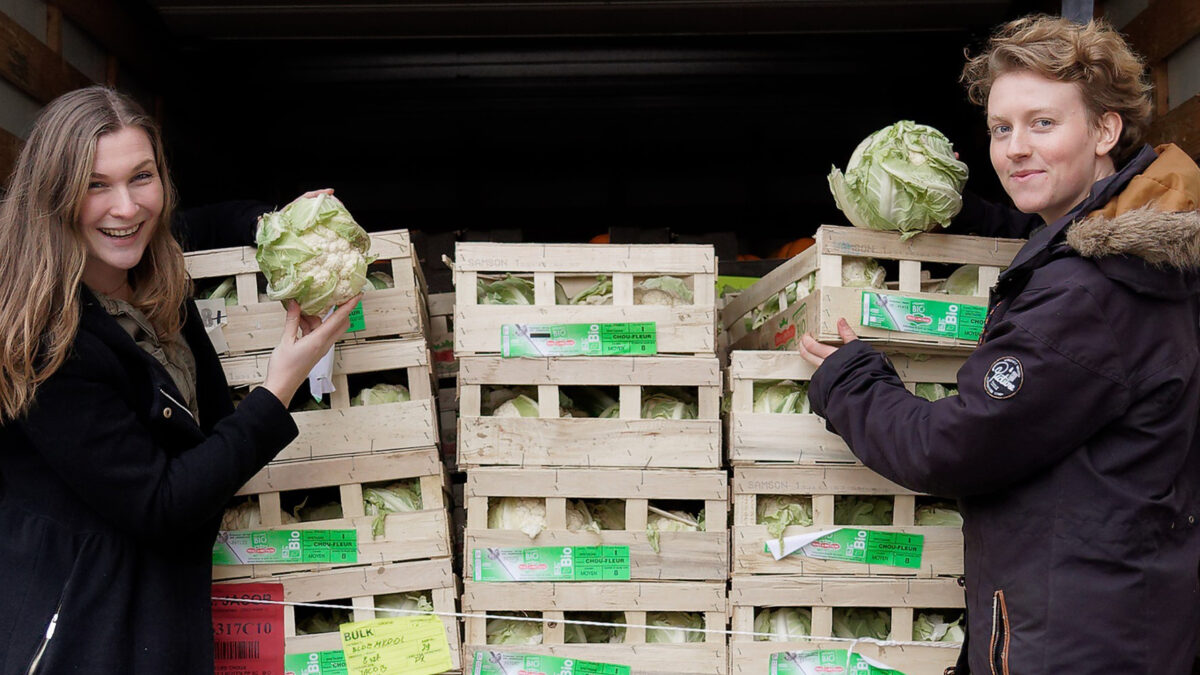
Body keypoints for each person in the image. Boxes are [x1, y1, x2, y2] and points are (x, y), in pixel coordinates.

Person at [797, 15, 1200, 675]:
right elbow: (1058, 237)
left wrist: (850, 379)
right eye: (1001, 129)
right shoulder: (1132, 245)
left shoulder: (1089, 300)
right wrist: (971, 218)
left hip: (1076, 648)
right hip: (1113, 622)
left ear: (1105, 129)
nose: (1015, 149)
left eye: (1043, 124)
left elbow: (951, 446)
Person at [0, 86, 359, 673]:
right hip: (82, 631)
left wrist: (282, 225)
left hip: (157, 616)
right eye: (96, 185)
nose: (126, 207)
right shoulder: (45, 339)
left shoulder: (149, 268)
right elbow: (160, 503)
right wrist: (277, 391)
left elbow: (212, 220)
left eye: (141, 177)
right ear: (54, 195)